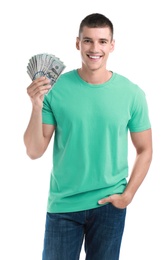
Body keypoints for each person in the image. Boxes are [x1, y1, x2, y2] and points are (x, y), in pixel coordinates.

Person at [24, 13, 152, 260]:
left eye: (102, 41)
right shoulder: (55, 89)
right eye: (88, 41)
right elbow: (34, 150)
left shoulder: (132, 94)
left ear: (112, 45)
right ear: (77, 43)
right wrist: (36, 105)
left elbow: (145, 149)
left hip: (108, 205)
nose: (95, 48)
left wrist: (128, 195)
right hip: (63, 206)